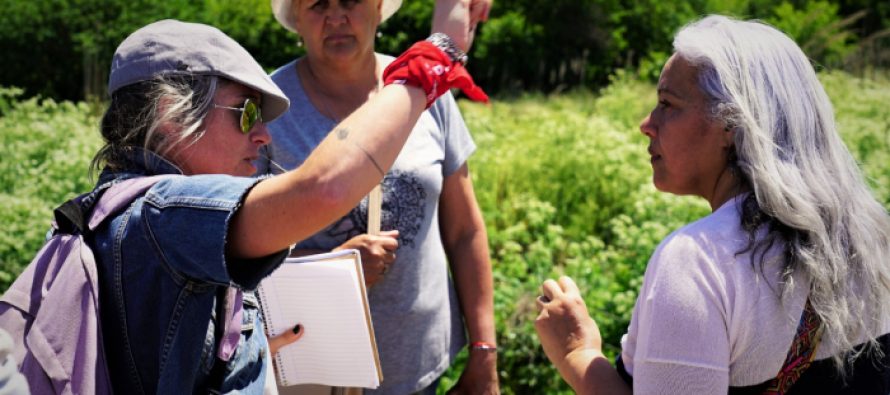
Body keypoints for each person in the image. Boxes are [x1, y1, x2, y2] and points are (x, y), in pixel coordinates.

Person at [86, 18, 482, 394]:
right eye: (247, 114)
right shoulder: (167, 213)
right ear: (170, 115)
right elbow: (322, 190)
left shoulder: (126, 205)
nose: (262, 135)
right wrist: (434, 57)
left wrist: (250, 350)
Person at [534, 15, 890, 394]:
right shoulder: (873, 235)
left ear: (731, 124)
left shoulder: (698, 263)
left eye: (667, 104)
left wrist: (577, 354)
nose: (646, 124)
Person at [259, 1, 498, 394]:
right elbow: (237, 251)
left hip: (420, 365)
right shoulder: (268, 109)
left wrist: (484, 351)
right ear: (295, 19)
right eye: (317, 4)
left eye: (350, 1)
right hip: (312, 375)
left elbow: (465, 231)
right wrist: (334, 270)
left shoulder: (425, 89)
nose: (336, 16)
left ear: (377, 11)